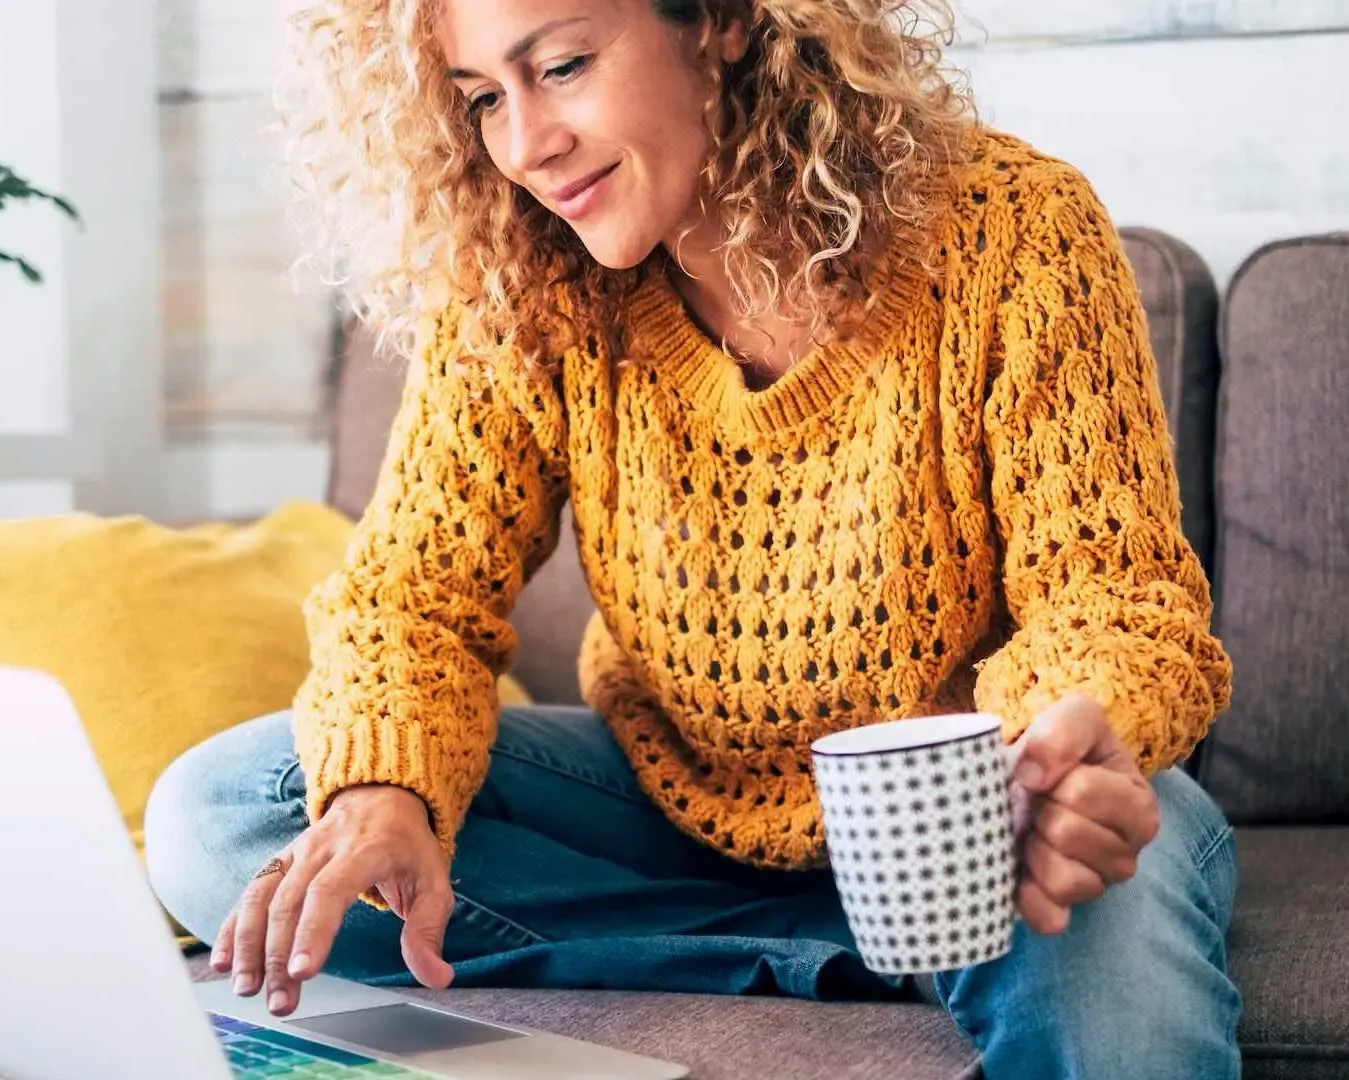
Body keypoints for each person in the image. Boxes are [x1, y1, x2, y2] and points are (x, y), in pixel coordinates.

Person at [144, 0, 1242, 1073]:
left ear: (718, 21)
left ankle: (899, 934)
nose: (526, 144)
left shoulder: (1015, 230)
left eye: (563, 65)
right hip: (672, 806)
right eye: (483, 96)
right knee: (224, 812)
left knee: (1105, 912)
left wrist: (1043, 767)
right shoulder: (525, 281)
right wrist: (383, 792)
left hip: (973, 814)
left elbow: (1114, 603)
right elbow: (411, 597)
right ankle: (854, 956)